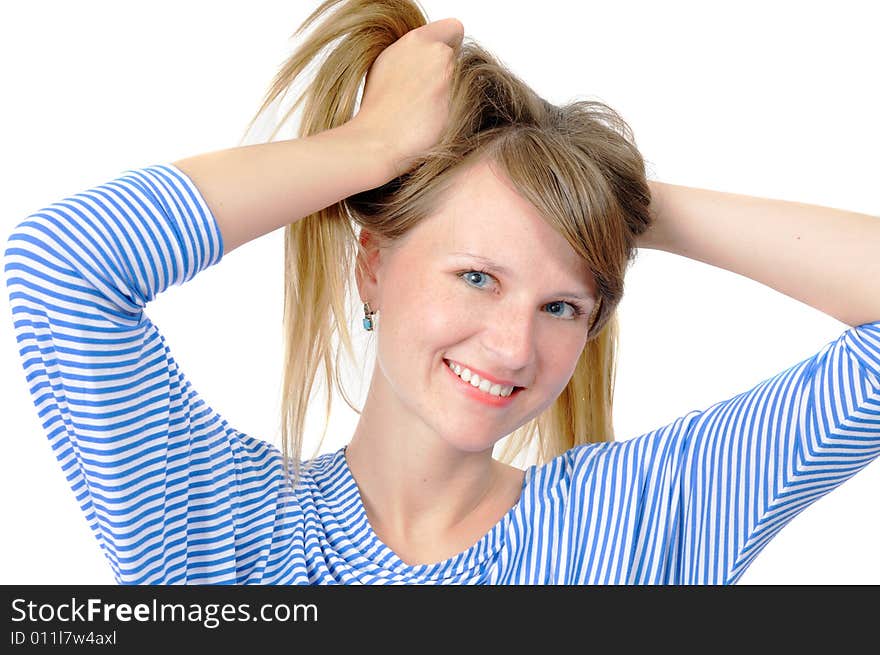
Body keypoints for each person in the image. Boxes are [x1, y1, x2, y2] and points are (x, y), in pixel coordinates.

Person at [4, 0, 879, 584]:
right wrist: (372, 147)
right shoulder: (213, 519)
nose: (511, 346)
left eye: (561, 305)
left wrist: (614, 199)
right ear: (373, 265)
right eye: (476, 276)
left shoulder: (646, 522)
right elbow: (60, 266)